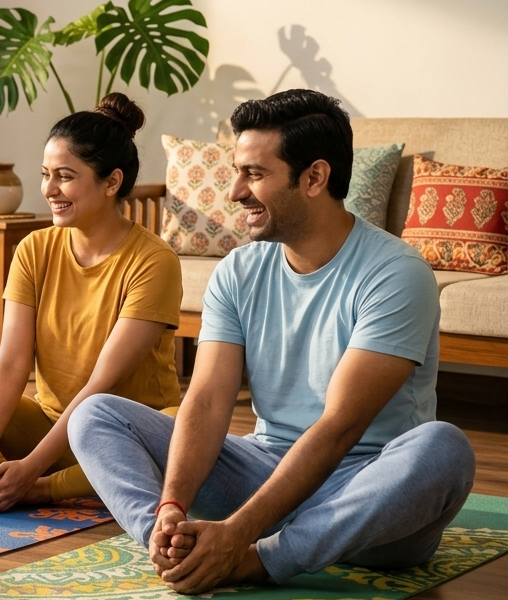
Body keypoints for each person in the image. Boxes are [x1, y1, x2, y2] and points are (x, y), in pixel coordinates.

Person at [69, 89, 477, 594]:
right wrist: (172, 504)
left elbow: (339, 428)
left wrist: (238, 535)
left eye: (255, 174)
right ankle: (172, 545)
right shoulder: (239, 270)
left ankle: (257, 560)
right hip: (264, 471)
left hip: (368, 500)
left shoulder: (395, 274)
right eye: (238, 171)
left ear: (314, 178)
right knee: (97, 415)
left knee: (444, 449)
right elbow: (209, 398)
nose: (236, 190)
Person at [0, 93, 183, 511]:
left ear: (111, 182)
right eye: (46, 174)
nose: (50, 189)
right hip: (50, 427)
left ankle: (40, 488)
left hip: (123, 435)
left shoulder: (153, 261)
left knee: (182, 429)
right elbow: (11, 362)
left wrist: (33, 474)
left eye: (66, 176)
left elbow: (101, 386)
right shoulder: (35, 248)